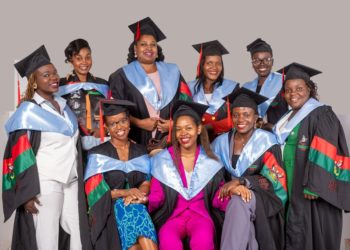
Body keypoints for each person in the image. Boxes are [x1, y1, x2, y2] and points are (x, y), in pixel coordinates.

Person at [3, 45, 91, 250]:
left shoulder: (64, 106)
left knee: (78, 233)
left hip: (71, 179)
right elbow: (20, 156)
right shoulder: (28, 113)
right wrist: (26, 193)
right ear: (34, 82)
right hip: (46, 183)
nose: (53, 77)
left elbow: (74, 143)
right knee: (47, 238)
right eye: (46, 75)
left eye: (54, 73)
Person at [273, 62, 350, 250]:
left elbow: (326, 149)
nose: (293, 94)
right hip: (289, 183)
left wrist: (315, 185)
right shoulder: (286, 117)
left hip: (309, 186)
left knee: (310, 232)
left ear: (309, 88)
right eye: (289, 90)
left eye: (299, 88)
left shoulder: (321, 114)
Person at [212, 87, 287, 250]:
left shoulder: (267, 141)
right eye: (236, 114)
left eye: (246, 114)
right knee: (242, 215)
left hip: (260, 195)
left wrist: (242, 182)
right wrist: (232, 188)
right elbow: (212, 175)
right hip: (226, 193)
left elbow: (275, 181)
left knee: (240, 202)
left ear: (256, 117)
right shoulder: (220, 143)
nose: (241, 119)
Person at [148, 100, 227, 250]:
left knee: (203, 241)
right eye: (178, 129)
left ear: (198, 129)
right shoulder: (163, 160)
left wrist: (233, 198)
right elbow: (157, 195)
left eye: (188, 128)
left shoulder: (211, 160)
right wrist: (144, 200)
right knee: (168, 241)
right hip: (173, 216)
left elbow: (218, 195)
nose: (183, 133)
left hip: (200, 216)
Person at [84, 99, 158, 250]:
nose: (120, 127)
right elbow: (94, 193)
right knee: (132, 212)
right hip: (108, 209)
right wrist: (126, 192)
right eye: (113, 123)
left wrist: (139, 195)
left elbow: (146, 181)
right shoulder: (98, 154)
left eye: (123, 121)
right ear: (106, 127)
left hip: (137, 203)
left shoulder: (140, 151)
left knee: (134, 212)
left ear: (129, 122)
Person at [108, 17, 192, 147]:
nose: (149, 48)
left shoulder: (173, 71)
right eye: (143, 44)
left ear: (157, 50)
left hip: (170, 140)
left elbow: (186, 102)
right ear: (135, 49)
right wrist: (140, 123)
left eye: (153, 44)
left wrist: (175, 123)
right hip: (135, 141)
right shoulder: (121, 75)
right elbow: (114, 111)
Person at [59, 38, 109, 150]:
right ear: (71, 60)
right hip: (72, 143)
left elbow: (112, 112)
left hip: (100, 141)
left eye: (88, 57)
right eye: (78, 58)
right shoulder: (62, 86)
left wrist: (104, 128)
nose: (84, 62)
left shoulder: (102, 84)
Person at [188, 40, 239, 140]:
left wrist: (211, 127)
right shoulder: (189, 89)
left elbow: (237, 119)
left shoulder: (232, 88)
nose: (214, 67)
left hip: (224, 142)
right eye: (209, 63)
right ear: (202, 65)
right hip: (196, 143)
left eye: (218, 63)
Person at [243, 38, 288, 131]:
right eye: (256, 60)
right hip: (254, 136)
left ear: (272, 62)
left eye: (267, 59)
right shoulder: (247, 87)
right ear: (252, 64)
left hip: (280, 136)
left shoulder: (283, 81)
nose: (262, 64)